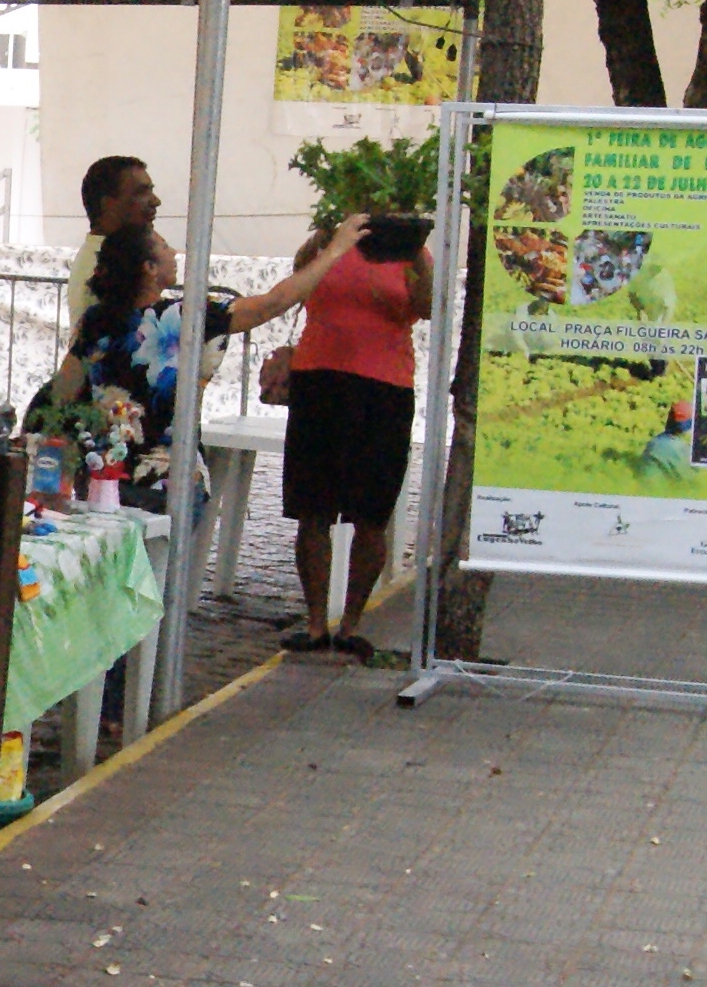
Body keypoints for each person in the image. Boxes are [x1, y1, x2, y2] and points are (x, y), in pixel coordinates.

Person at [45, 218, 366, 521]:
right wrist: (334, 250)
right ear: (149, 268)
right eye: (164, 246)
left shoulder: (95, 321)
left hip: (102, 475)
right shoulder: (185, 316)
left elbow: (63, 392)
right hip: (166, 480)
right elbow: (274, 302)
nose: (174, 252)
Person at [279, 212, 430, 659]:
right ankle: (315, 623)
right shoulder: (326, 243)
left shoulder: (408, 251)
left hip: (384, 388)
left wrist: (419, 260)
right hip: (319, 379)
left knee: (371, 512)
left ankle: (351, 624)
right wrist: (330, 244)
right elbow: (296, 288)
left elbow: (426, 307)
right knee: (313, 508)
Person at [67, 155, 161, 321]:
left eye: (151, 191)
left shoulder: (106, 257)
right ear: (109, 204)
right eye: (141, 192)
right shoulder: (107, 266)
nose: (155, 201)